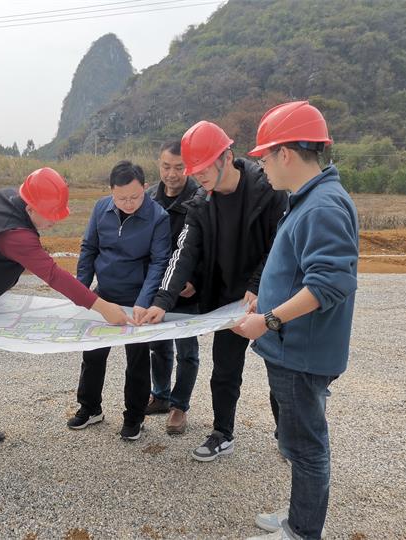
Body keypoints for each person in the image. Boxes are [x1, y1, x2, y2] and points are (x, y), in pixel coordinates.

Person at [0, 167, 133, 443]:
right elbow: (54, 275)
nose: (53, 223)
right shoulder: (14, 234)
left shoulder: (8, 198)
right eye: (50, 216)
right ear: (30, 207)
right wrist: (103, 307)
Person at [234, 101, 358, 540]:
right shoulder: (308, 199)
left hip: (301, 353)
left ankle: (302, 531)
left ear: (285, 154)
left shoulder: (323, 206)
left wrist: (268, 319)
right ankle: (297, 515)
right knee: (295, 440)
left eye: (264, 157)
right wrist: (265, 301)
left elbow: (329, 284)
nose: (262, 166)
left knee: (306, 448)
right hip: (290, 347)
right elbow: (300, 273)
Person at [139, 121, 287, 460]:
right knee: (224, 370)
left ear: (227, 157)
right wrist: (163, 300)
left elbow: (281, 242)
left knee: (278, 368)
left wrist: (258, 284)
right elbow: (184, 252)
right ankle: (222, 433)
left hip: (269, 295)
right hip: (228, 301)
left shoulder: (267, 190)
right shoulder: (201, 202)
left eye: (204, 167)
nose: (198, 175)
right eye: (195, 169)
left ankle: (287, 435)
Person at [68, 160, 171, 441]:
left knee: (137, 360)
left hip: (137, 298)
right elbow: (89, 248)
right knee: (93, 353)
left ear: (145, 188)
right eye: (121, 198)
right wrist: (81, 290)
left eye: (134, 197)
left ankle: (135, 417)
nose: (128, 203)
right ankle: (90, 407)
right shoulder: (101, 208)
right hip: (104, 294)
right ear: (111, 191)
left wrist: (144, 300)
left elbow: (159, 262)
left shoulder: (158, 217)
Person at [143, 141, 201, 435]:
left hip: (187, 289)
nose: (172, 174)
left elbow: (207, 244)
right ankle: (161, 394)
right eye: (166, 166)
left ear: (188, 167)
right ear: (159, 164)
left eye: (179, 167)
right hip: (157, 286)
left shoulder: (200, 197)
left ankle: (179, 406)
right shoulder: (149, 198)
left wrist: (196, 280)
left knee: (187, 351)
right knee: (158, 346)